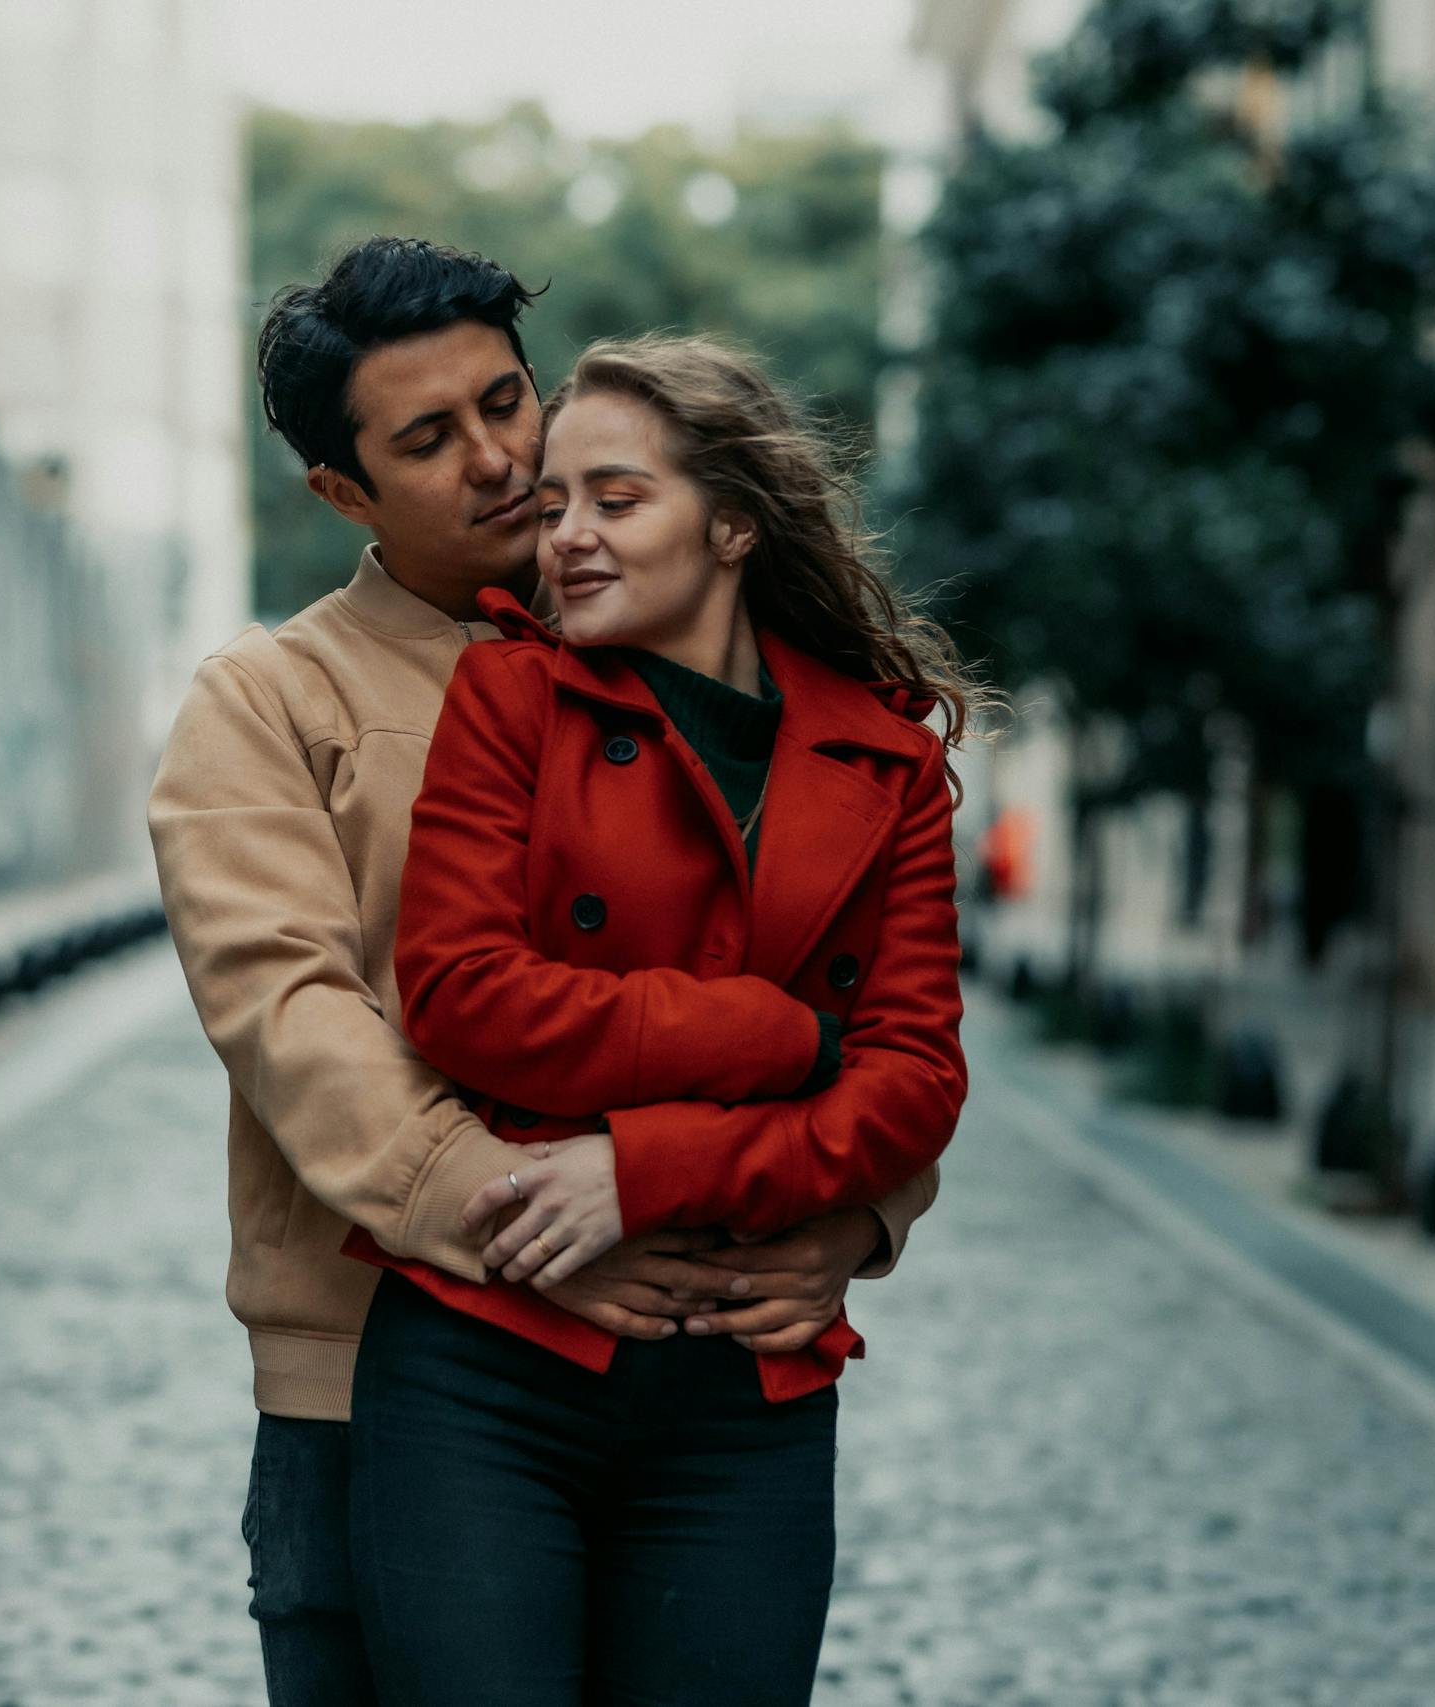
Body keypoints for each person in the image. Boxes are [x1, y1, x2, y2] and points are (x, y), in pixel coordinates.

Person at [146, 239, 941, 1707]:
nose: (502, 458)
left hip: (691, 1365)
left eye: (509, 401)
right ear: (344, 491)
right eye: (430, 440)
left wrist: (854, 1219)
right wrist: (529, 1222)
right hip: (369, 1363)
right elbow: (292, 1019)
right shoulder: (275, 702)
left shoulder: (700, 665)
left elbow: (863, 1007)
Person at [347, 333, 983, 1706]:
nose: (564, 536)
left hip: (742, 1390)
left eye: (615, 501)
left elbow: (915, 1082)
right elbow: (461, 993)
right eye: (558, 502)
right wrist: (770, 1038)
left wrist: (647, 1169)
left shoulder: (888, 762)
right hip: (488, 1366)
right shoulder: (510, 698)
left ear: (735, 523)